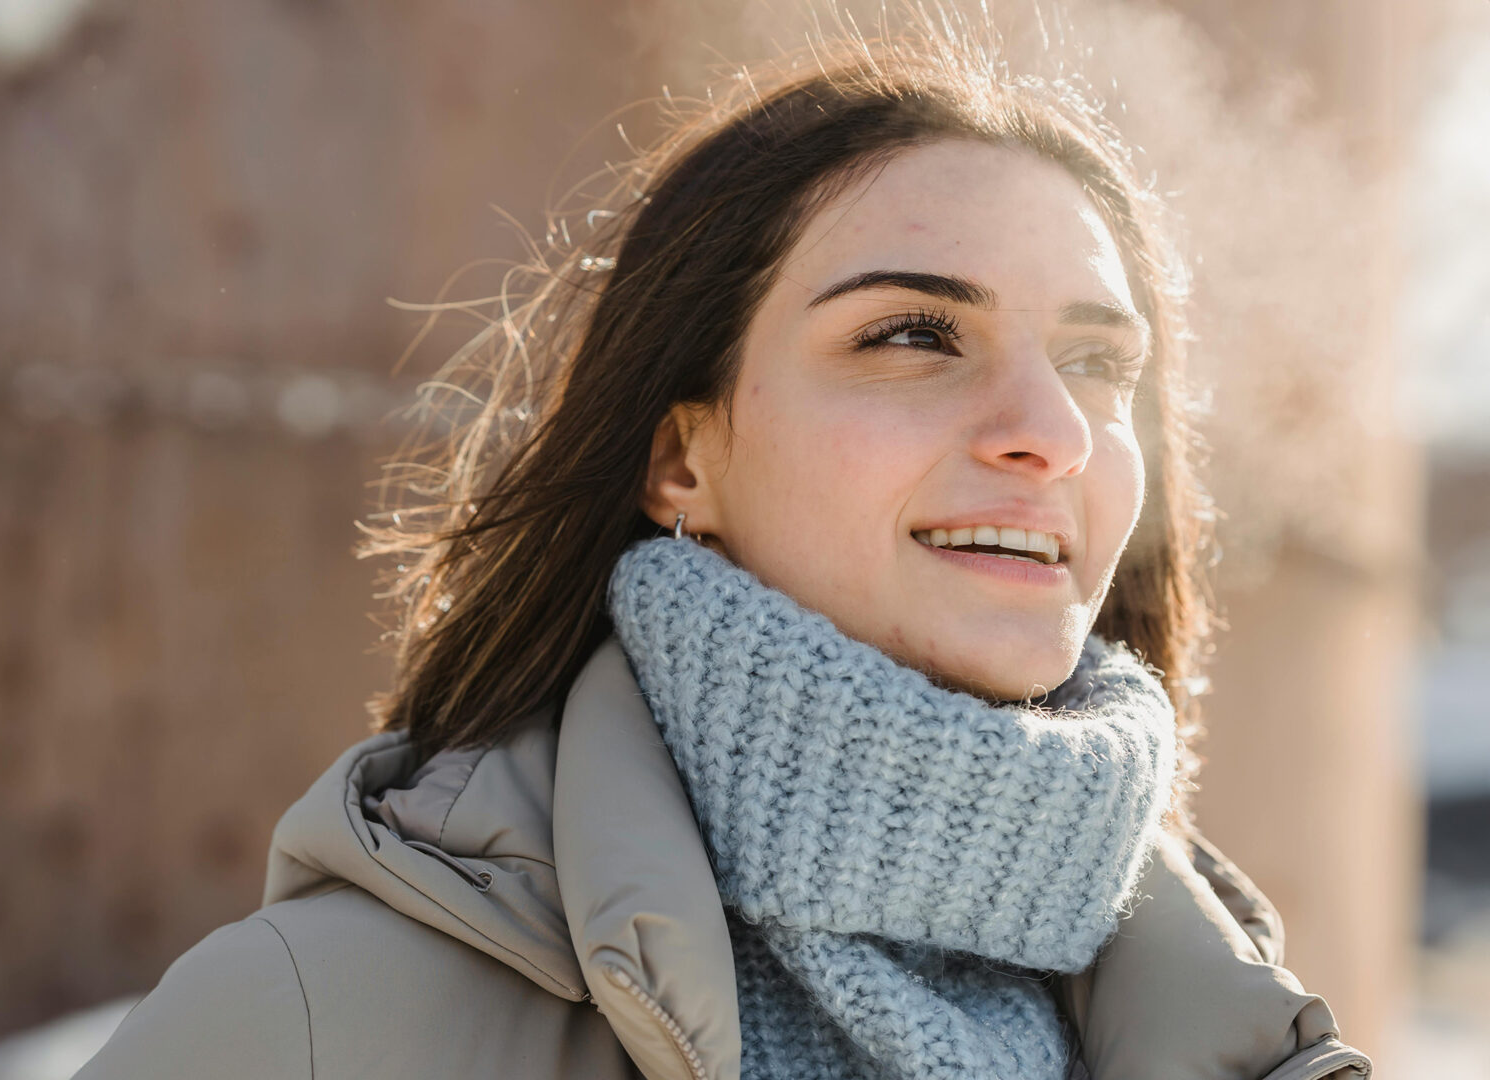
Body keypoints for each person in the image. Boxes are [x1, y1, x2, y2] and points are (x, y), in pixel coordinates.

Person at [75, 15, 1373, 1080]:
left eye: (1097, 362)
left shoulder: (1254, 1040)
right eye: (914, 334)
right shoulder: (313, 1031)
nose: (1053, 434)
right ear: (682, 456)